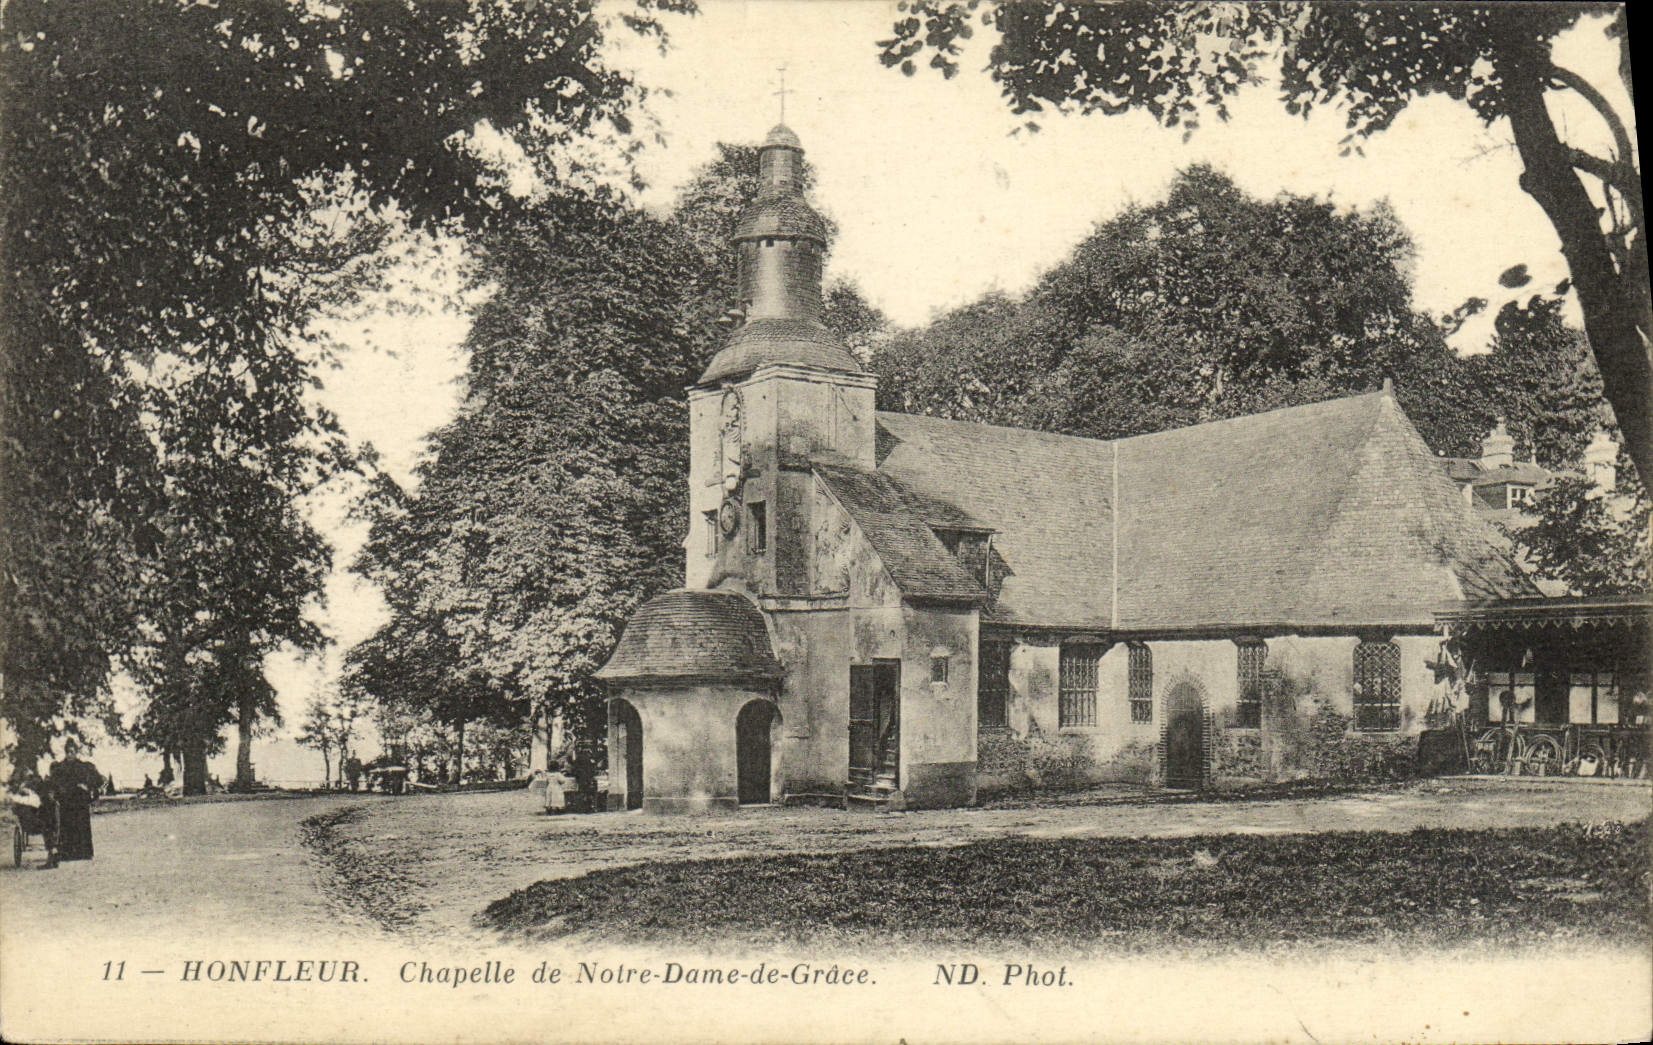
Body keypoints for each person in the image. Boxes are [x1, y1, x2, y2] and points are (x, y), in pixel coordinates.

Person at [46, 740, 103, 862]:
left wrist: (87, 786)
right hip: (66, 801)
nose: (69, 755)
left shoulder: (84, 767)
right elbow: (52, 783)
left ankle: (84, 852)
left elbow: (98, 780)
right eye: (67, 752)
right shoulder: (60, 768)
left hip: (80, 801)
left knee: (82, 825)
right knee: (67, 826)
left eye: (72, 752)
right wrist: (55, 792)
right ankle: (67, 853)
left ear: (76, 752)